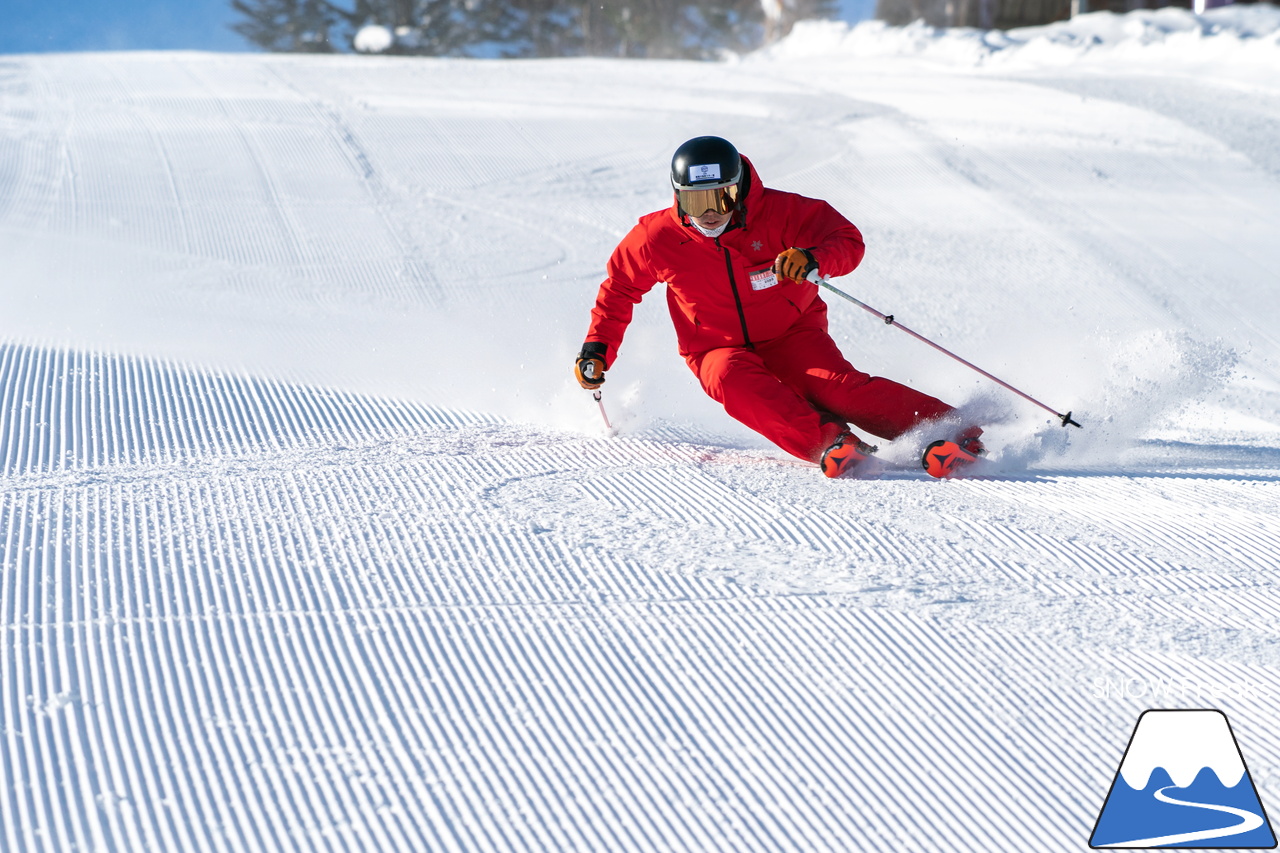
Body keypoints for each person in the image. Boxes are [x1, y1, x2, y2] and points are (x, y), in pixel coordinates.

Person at [574, 136, 982, 478]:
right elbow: (619, 289)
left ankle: (952, 430)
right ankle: (835, 444)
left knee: (835, 388)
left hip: (792, 334)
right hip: (715, 347)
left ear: (740, 189)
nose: (711, 213)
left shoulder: (781, 213)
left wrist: (814, 259)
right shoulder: (656, 236)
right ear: (678, 198)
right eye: (697, 203)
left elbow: (847, 239)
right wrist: (597, 349)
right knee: (733, 381)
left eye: (722, 197)